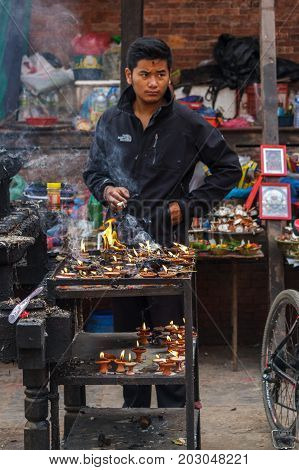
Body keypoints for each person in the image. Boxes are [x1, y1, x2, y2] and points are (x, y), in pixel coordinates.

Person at [83, 37, 242, 408]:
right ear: (129, 76)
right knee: (130, 340)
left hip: (169, 246)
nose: (153, 82)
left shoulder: (187, 122)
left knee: (170, 337)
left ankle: (175, 424)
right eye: (144, 75)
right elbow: (93, 171)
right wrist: (106, 189)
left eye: (160, 74)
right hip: (122, 249)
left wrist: (188, 206)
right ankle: (135, 417)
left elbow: (228, 168)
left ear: (170, 76)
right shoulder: (111, 120)